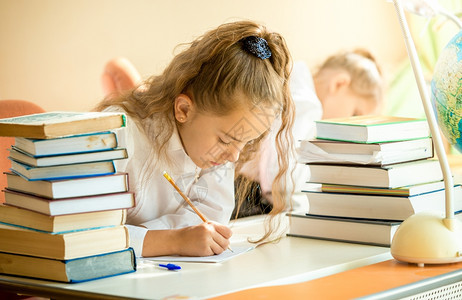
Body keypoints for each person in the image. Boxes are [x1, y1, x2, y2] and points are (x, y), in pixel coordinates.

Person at [95, 20, 295, 257]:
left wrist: (164, 238)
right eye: (226, 140)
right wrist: (173, 240)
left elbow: (212, 216)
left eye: (247, 142)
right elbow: (90, 237)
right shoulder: (118, 135)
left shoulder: (218, 152)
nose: (235, 155)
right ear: (184, 110)